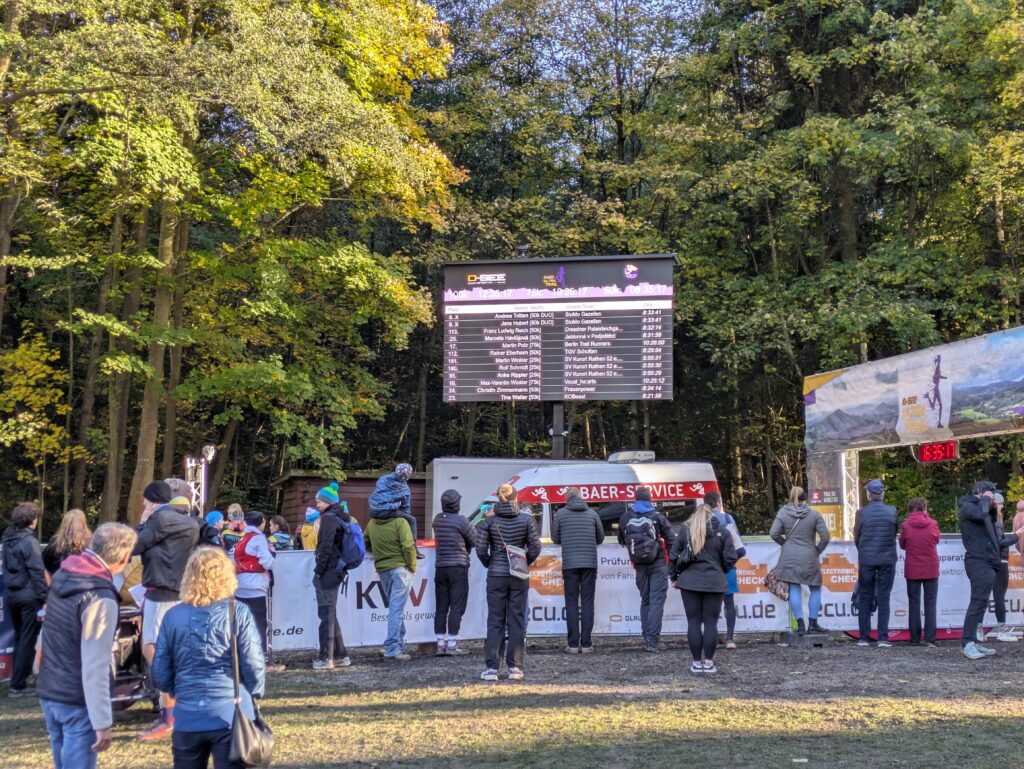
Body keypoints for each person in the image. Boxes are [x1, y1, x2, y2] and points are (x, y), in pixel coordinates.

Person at [152, 547, 265, 769]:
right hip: (230, 712)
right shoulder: (237, 612)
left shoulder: (173, 616)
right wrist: (255, 690)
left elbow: (160, 672)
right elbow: (252, 663)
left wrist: (179, 692)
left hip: (187, 716)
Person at [36, 523, 137, 769]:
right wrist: (102, 721)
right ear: (124, 559)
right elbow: (95, 664)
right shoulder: (99, 597)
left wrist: (39, 672)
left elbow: (44, 635)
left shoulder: (63, 574)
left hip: (51, 689)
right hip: (76, 698)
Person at [133, 479, 201, 740]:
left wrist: (142, 521)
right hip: (179, 590)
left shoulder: (159, 520)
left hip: (160, 592)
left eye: (145, 500)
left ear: (153, 501)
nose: (143, 504)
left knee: (152, 648)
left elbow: (136, 545)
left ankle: (170, 712)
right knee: (172, 649)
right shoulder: (190, 521)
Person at [476, 484, 541, 682]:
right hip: (518, 576)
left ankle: (491, 669)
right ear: (516, 497)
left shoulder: (489, 522)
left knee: (495, 620)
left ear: (497, 497)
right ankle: (516, 668)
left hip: (496, 574)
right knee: (517, 619)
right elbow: (535, 547)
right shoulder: (526, 519)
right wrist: (523, 562)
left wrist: (490, 563)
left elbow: (480, 549)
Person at [670, 503, 737, 674]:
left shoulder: (686, 530)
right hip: (714, 582)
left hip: (689, 582)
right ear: (712, 516)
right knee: (711, 623)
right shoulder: (723, 531)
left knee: (693, 622)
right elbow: (731, 557)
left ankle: (696, 662)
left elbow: (673, 555)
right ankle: (708, 662)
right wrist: (720, 569)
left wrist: (674, 576)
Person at [617, 487, 675, 651]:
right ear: (649, 500)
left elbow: (621, 539)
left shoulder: (625, 517)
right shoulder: (658, 517)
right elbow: (671, 540)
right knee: (657, 600)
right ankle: (653, 640)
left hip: (639, 566)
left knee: (646, 600)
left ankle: (647, 637)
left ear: (635, 499)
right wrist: (671, 561)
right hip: (657, 563)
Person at [2, 501, 48, 697]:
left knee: (21, 638)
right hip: (29, 596)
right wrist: (45, 596)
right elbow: (37, 571)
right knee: (27, 639)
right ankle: (18, 684)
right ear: (32, 520)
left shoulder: (7, 538)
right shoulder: (29, 542)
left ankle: (18, 680)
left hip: (12, 595)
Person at [365, 490, 418, 662]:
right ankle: (393, 649)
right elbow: (409, 547)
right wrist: (412, 566)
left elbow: (365, 543)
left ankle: (395, 645)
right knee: (397, 610)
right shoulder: (400, 522)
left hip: (383, 569)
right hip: (401, 569)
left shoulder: (372, 524)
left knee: (396, 609)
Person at [770, 486, 831, 636]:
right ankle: (813, 623)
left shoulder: (783, 513)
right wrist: (817, 550)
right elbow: (825, 537)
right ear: (805, 497)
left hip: (789, 556)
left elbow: (773, 533)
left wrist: (784, 543)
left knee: (794, 588)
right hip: (809, 555)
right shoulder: (814, 514)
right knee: (815, 588)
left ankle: (800, 625)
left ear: (790, 497)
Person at [551, 487, 604, 653]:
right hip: (589, 563)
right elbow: (600, 538)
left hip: (570, 565)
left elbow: (555, 538)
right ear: (581, 497)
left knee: (571, 602)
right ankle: (587, 643)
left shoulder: (560, 514)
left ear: (567, 499)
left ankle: (573, 644)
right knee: (588, 602)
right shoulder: (592, 514)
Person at [853, 479, 898, 647]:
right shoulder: (892, 511)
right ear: (883, 493)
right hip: (887, 559)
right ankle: (883, 638)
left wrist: (864, 551)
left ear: (868, 494)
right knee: (884, 597)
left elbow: (856, 537)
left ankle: (864, 637)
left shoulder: (861, 513)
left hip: (867, 559)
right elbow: (893, 534)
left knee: (865, 596)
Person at [311, 483, 351, 670]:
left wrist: (318, 571)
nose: (317, 504)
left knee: (326, 614)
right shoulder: (340, 518)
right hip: (337, 570)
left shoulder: (328, 520)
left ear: (328, 502)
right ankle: (341, 655)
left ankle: (325, 658)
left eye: (320, 501)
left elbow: (326, 548)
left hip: (328, 571)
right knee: (330, 613)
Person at [431, 489, 476, 656]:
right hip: (458, 567)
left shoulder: (437, 520)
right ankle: (451, 644)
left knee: (441, 606)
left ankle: (440, 644)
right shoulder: (461, 521)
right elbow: (475, 539)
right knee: (457, 606)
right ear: (457, 504)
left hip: (441, 567)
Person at [705, 491, 746, 650]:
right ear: (719, 502)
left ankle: (711, 636)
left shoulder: (700, 521)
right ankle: (729, 638)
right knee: (729, 603)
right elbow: (739, 547)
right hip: (727, 568)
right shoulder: (728, 519)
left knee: (709, 604)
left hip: (708, 569)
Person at [899, 497, 940, 647]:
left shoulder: (906, 526)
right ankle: (930, 638)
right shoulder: (933, 524)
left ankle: (914, 638)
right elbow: (936, 540)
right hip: (931, 567)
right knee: (930, 603)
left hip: (913, 567)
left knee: (914, 603)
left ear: (910, 510)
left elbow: (902, 544)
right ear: (925, 509)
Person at [233, 510, 275, 654]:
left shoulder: (241, 539)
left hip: (240, 584)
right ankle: (259, 654)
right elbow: (267, 562)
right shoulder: (259, 538)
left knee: (242, 621)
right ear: (261, 523)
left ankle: (242, 652)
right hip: (255, 585)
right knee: (258, 622)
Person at [368, 463, 423, 558]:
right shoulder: (404, 488)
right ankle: (414, 549)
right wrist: (397, 507)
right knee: (411, 520)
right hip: (386, 511)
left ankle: (368, 545)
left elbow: (379, 495)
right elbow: (405, 509)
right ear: (409, 475)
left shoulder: (382, 479)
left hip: (373, 510)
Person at [990, 493, 1018, 643]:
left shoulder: (988, 519)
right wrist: (1017, 535)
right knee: (999, 596)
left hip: (991, 560)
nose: (1002, 506)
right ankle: (1001, 630)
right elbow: (1001, 541)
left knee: (982, 597)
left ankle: (979, 629)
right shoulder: (995, 520)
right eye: (1000, 504)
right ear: (995, 504)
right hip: (1000, 561)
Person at [42, 509, 92, 577]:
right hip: (84, 584)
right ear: (83, 523)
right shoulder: (91, 543)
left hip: (59, 584)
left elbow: (43, 566)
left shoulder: (55, 542)